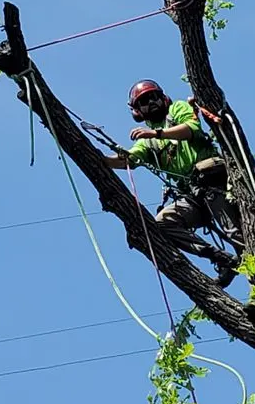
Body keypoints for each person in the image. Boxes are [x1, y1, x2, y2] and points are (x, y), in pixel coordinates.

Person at [103, 79, 243, 287]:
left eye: (153, 97)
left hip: (214, 182)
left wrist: (156, 133)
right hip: (193, 196)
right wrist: (100, 158)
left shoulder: (177, 109)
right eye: (143, 101)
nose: (150, 102)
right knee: (163, 223)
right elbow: (128, 160)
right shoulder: (147, 142)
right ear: (137, 111)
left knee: (234, 233)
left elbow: (190, 129)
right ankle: (221, 258)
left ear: (163, 97)